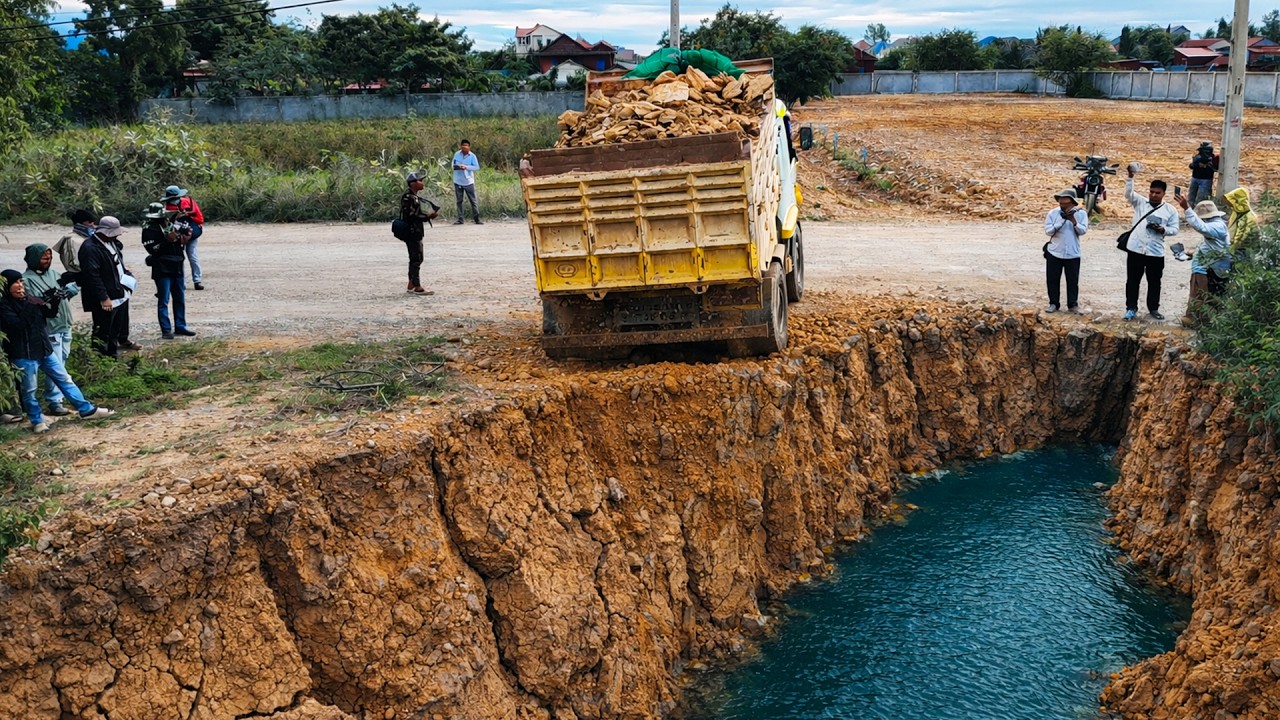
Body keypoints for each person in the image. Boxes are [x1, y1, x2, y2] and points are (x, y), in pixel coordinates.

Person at [0, 270, 114, 433]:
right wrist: (31, 306)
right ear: (7, 286)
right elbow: (17, 326)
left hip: (44, 350)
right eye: (15, 283)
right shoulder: (4, 306)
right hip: (23, 354)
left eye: (21, 282)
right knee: (29, 390)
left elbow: (49, 314)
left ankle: (87, 410)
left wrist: (53, 300)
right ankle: (37, 420)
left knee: (65, 379)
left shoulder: (30, 299)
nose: (20, 286)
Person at [21, 243, 80, 416]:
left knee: (63, 360)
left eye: (49, 257)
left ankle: (57, 398)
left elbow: (65, 291)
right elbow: (36, 303)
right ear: (34, 259)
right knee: (57, 365)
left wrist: (70, 290)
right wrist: (51, 295)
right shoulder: (26, 280)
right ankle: (54, 401)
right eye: (44, 257)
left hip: (64, 324)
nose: (48, 260)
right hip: (49, 328)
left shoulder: (55, 274)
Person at [1122, 167, 1180, 321]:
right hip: (1136, 250)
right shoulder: (1141, 203)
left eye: (1157, 193)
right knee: (1132, 281)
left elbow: (1175, 229)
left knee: (1154, 282)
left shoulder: (1170, 210)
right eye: (1151, 192)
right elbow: (1128, 194)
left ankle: (1153, 308)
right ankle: (1131, 308)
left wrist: (1163, 229)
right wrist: (1130, 177)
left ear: (1163, 194)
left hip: (1155, 251)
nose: (1154, 195)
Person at [77, 215, 135, 358]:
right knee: (103, 332)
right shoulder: (90, 248)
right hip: (106, 299)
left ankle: (112, 357)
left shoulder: (111, 243)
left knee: (115, 330)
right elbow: (92, 276)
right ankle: (99, 360)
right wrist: (104, 297)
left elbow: (117, 263)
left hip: (119, 293)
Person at [1174, 196, 1232, 328]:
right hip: (1211, 267)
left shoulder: (1216, 226)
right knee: (1206, 295)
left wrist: (1187, 208)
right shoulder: (1219, 225)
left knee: (1199, 295)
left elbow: (1201, 227)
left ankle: (1198, 321)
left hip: (1203, 269)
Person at [140, 203, 196, 339]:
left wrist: (182, 235)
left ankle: (180, 326)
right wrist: (168, 240)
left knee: (179, 298)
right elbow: (152, 249)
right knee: (163, 300)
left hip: (176, 264)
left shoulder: (169, 225)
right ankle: (166, 330)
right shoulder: (148, 229)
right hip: (161, 267)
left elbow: (182, 238)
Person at [1042, 188, 1088, 314]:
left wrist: (1073, 220)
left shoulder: (1081, 214)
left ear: (1073, 203)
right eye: (1061, 204)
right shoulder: (1053, 213)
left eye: (1066, 204)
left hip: (1073, 253)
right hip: (1055, 251)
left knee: (1072, 280)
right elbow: (1048, 231)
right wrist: (1061, 220)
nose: (1063, 206)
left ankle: (1072, 304)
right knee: (1052, 279)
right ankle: (1053, 303)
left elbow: (1083, 231)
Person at [400, 172, 438, 295]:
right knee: (416, 258)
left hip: (415, 231)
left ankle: (411, 284)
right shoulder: (409, 197)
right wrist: (427, 216)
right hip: (412, 232)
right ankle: (417, 286)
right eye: (420, 180)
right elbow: (411, 215)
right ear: (413, 183)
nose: (422, 183)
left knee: (417, 258)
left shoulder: (413, 196)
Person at [162, 185, 206, 290]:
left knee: (186, 257)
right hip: (183, 233)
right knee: (189, 257)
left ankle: (189, 281)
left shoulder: (166, 207)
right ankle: (193, 281)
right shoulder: (188, 202)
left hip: (181, 233)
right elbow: (200, 219)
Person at [52, 209, 96, 274]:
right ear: (80, 223)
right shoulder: (70, 239)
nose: (93, 225)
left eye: (93, 222)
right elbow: (71, 264)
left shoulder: (92, 238)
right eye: (89, 222)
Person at [1223, 187, 1261, 258]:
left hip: (1246, 247)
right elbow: (1231, 226)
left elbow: (1242, 236)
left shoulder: (1250, 217)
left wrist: (1232, 249)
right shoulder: (1237, 212)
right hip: (1235, 245)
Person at [452, 139, 482, 225]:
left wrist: (466, 167)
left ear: (469, 147)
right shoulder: (457, 154)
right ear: (461, 147)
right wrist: (457, 167)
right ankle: (460, 219)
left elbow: (476, 167)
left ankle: (477, 219)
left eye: (466, 147)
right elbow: (452, 164)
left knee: (473, 200)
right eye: (463, 146)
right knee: (459, 201)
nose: (464, 148)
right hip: (458, 180)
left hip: (468, 181)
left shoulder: (472, 156)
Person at [1187, 141, 1219, 206]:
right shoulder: (1197, 157)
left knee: (1201, 199)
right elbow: (1191, 166)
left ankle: (1199, 213)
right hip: (1195, 178)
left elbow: (1216, 168)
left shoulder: (1213, 158)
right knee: (1191, 198)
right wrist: (1197, 164)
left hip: (1206, 180)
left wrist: (1207, 165)